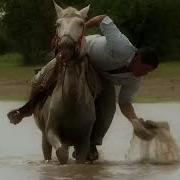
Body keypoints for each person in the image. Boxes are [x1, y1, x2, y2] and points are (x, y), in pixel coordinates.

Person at [7, 15, 159, 161]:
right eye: (144, 69)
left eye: (148, 72)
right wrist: (81, 30)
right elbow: (103, 19)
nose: (144, 74)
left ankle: (92, 143)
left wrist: (135, 122)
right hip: (81, 53)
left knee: (109, 108)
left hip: (101, 75)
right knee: (40, 78)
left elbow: (125, 103)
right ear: (137, 58)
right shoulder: (122, 45)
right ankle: (25, 110)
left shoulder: (135, 80)